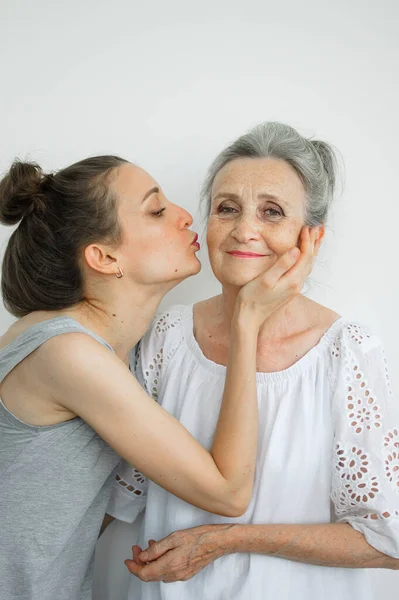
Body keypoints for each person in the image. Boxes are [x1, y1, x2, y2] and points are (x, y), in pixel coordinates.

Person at [105, 123, 399, 600]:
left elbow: (388, 539)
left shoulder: (348, 353)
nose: (245, 230)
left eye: (271, 212)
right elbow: (118, 493)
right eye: (227, 208)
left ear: (311, 239)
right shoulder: (165, 338)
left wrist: (226, 541)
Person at [0, 155, 314, 600]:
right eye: (156, 210)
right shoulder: (69, 354)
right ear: (105, 257)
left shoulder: (77, 342)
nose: (186, 214)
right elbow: (228, 492)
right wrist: (247, 320)